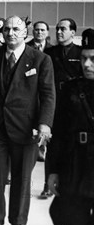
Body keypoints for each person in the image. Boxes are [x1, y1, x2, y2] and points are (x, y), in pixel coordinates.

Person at [0, 16, 55, 225]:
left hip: (26, 127)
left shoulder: (40, 59)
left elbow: (48, 95)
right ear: (2, 33)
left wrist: (44, 124)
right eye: (7, 29)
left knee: (22, 177)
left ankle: (17, 221)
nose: (10, 32)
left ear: (25, 33)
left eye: (16, 29)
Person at [48, 28, 94, 225]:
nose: (87, 64)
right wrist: (53, 171)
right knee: (72, 222)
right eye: (85, 58)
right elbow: (60, 131)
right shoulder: (71, 89)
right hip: (74, 164)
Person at [39, 18, 83, 199]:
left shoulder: (81, 53)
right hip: (55, 106)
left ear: (73, 32)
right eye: (57, 29)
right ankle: (47, 185)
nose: (59, 32)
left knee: (75, 149)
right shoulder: (49, 53)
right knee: (53, 149)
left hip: (75, 108)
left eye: (63, 29)